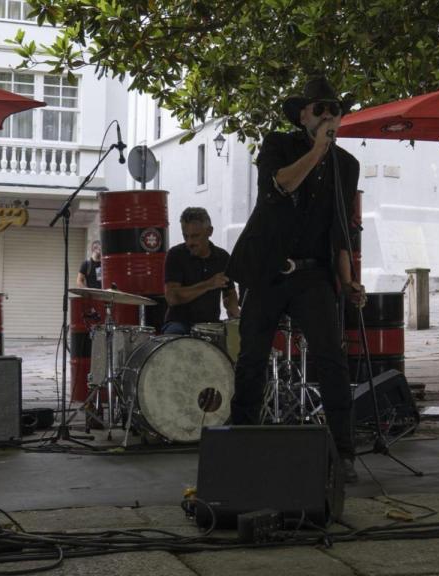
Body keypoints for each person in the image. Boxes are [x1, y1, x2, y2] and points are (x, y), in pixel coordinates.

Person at [227, 76, 365, 482]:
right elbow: (279, 187)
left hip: (312, 273)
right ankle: (241, 444)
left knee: (332, 358)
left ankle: (343, 452)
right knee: (252, 357)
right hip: (267, 268)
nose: (327, 115)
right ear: (303, 115)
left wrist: (349, 281)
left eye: (334, 110)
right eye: (319, 109)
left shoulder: (347, 165)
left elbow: (340, 229)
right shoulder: (277, 146)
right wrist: (318, 149)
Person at [162, 207, 240, 335]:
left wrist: (234, 311)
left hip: (211, 323)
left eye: (195, 236)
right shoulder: (175, 255)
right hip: (179, 323)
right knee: (174, 334)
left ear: (210, 231)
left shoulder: (223, 257)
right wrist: (209, 284)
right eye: (185, 236)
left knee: (234, 338)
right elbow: (172, 297)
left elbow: (229, 293)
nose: (189, 242)